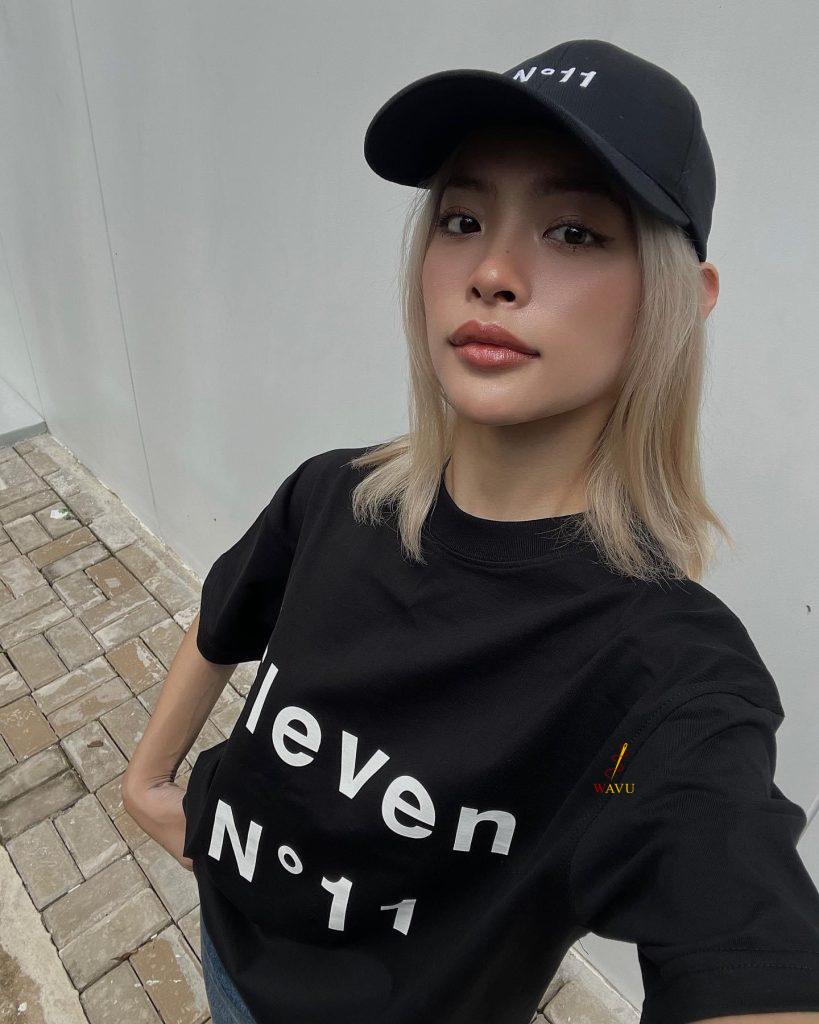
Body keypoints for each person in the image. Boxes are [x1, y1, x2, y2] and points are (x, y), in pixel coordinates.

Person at [122, 38, 819, 1024]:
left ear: (680, 300)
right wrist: (146, 780)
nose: (491, 270)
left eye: (574, 231)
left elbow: (743, 927)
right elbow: (225, 612)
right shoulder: (333, 494)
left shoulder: (664, 671)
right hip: (226, 953)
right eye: (461, 219)